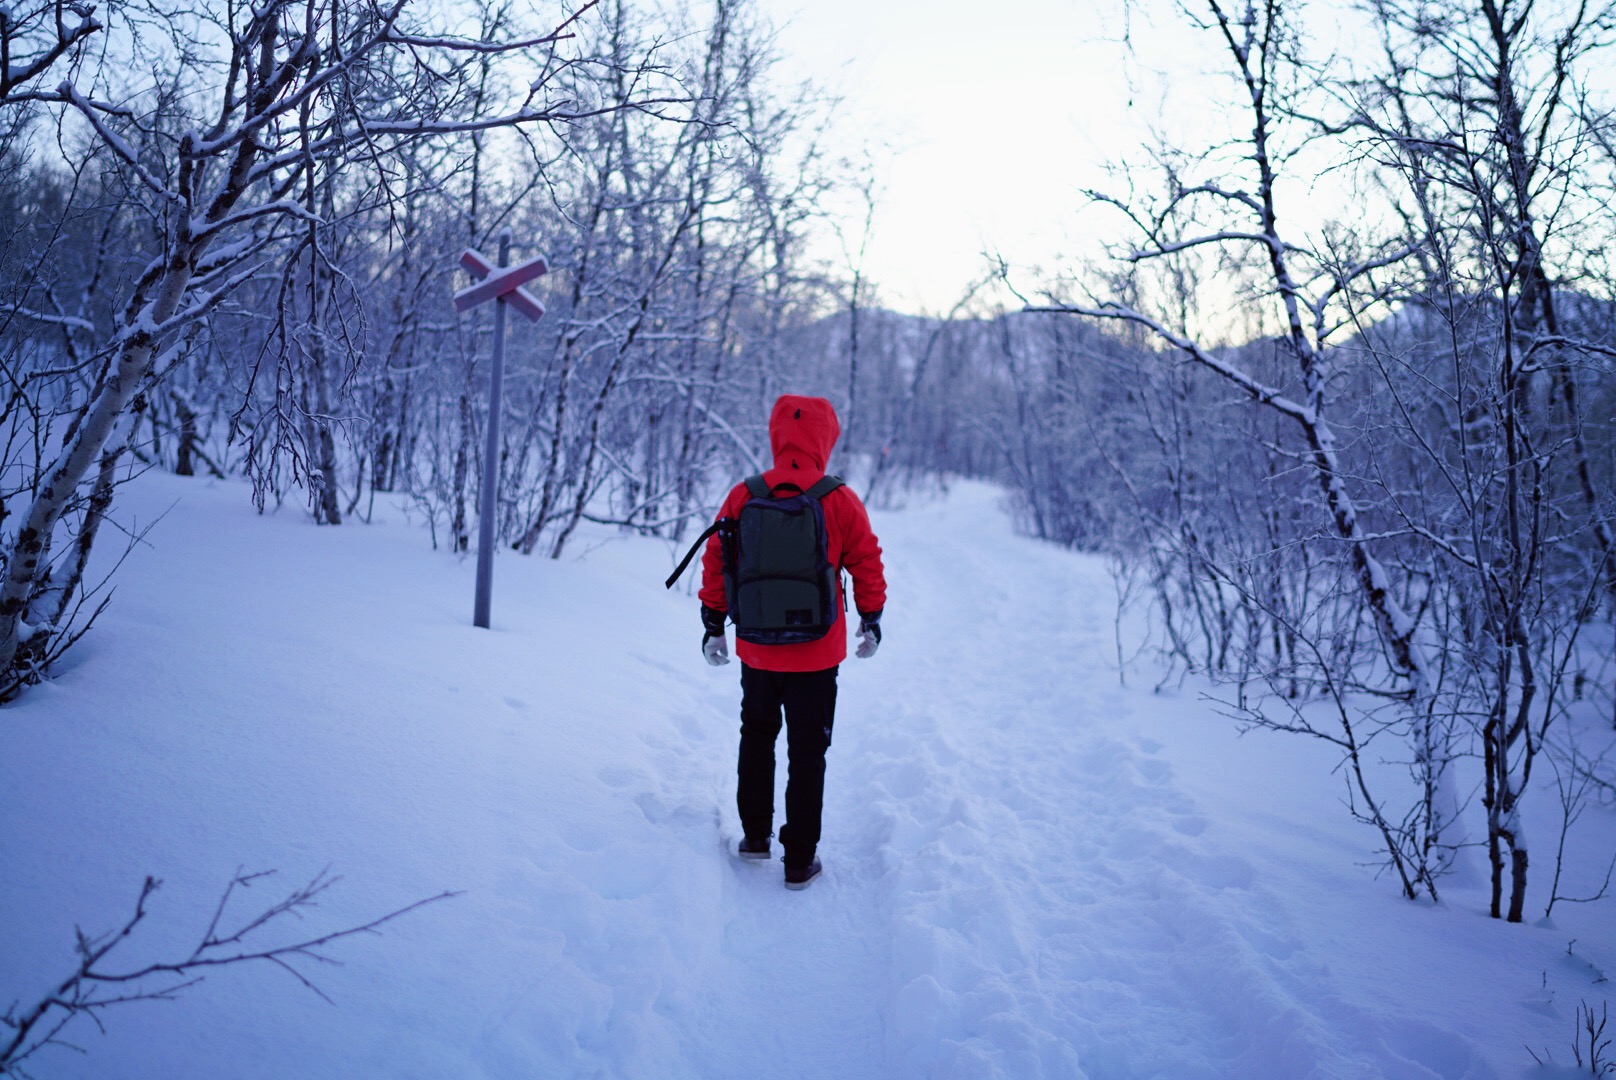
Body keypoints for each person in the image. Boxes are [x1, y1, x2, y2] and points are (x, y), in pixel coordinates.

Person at [698, 394, 886, 890]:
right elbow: (866, 560)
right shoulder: (838, 497)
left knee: (756, 734)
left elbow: (717, 560)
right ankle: (799, 860)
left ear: (776, 434)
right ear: (827, 438)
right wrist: (872, 617)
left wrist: (713, 623)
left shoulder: (745, 494)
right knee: (808, 750)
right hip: (818, 652)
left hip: (757, 648)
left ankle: (755, 837)